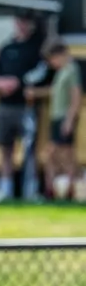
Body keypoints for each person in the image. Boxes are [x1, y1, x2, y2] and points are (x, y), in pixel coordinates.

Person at [0, 10, 45, 203]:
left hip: (26, 107)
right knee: (5, 149)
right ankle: (4, 189)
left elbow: (40, 73)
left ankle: (30, 190)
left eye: (25, 22)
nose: (22, 25)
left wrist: (18, 82)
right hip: (4, 106)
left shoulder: (37, 48)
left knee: (29, 150)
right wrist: (0, 83)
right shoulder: (6, 48)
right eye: (19, 21)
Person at [27, 37, 82, 199]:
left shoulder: (72, 70)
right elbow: (54, 92)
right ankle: (53, 188)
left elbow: (76, 96)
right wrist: (36, 93)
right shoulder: (61, 72)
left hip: (64, 117)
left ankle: (68, 188)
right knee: (54, 154)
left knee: (65, 154)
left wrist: (69, 120)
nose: (51, 63)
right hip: (56, 117)